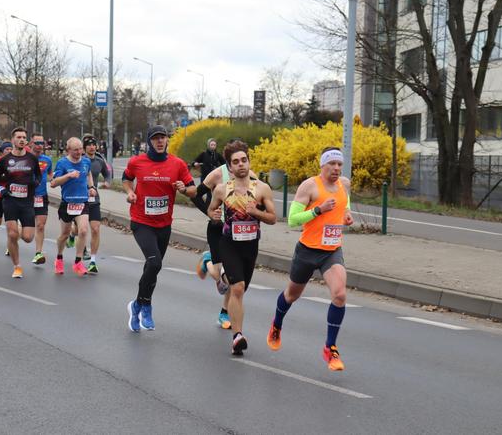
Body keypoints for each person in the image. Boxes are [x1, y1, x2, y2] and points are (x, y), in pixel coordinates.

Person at [266, 147, 354, 372]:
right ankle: (277, 324)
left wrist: (346, 214)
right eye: (331, 164)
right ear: (322, 165)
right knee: (292, 295)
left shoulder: (344, 184)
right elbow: (293, 219)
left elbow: (344, 204)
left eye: (338, 164)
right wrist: (318, 210)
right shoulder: (309, 186)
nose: (335, 168)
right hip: (307, 250)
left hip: (331, 251)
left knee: (340, 294)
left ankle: (330, 347)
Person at [122, 125, 197, 332]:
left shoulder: (177, 164)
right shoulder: (137, 162)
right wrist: (129, 192)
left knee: (152, 267)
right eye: (155, 138)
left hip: (164, 225)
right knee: (155, 263)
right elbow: (126, 179)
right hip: (141, 222)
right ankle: (145, 305)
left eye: (163, 137)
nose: (160, 141)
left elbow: (193, 189)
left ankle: (136, 304)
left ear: (167, 140)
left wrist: (184, 189)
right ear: (149, 142)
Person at [208, 140, 276, 355]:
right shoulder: (221, 190)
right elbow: (211, 210)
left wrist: (256, 213)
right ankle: (237, 336)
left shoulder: (262, 188)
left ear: (248, 162)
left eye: (244, 160)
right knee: (238, 289)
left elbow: (273, 218)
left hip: (250, 246)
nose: (240, 165)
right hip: (229, 244)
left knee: (240, 287)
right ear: (229, 167)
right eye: (235, 162)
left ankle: (222, 280)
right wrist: (214, 215)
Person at [0, 127, 41, 278]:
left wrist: (36, 183)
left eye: (24, 137)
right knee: (13, 235)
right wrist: (1, 189)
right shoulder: (5, 160)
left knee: (27, 238)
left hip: (26, 202)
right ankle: (17, 266)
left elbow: (38, 175)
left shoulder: (32, 158)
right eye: (18, 137)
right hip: (10, 200)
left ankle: (15, 230)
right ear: (13, 140)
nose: (21, 140)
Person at [50, 137, 97, 277]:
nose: (79, 152)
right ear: (68, 150)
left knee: (83, 231)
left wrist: (91, 187)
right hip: (67, 203)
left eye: (81, 149)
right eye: (76, 150)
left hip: (82, 202)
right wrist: (69, 176)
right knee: (64, 235)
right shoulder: (62, 163)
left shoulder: (86, 161)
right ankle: (59, 258)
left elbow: (88, 174)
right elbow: (53, 183)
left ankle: (78, 261)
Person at [83, 134, 110, 274]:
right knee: (79, 231)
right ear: (84, 147)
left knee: (95, 229)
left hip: (94, 199)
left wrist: (107, 181)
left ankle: (92, 261)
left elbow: (107, 173)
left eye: (94, 145)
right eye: (89, 145)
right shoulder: (79, 160)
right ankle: (74, 240)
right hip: (79, 199)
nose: (92, 147)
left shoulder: (99, 161)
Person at [29, 133, 53, 265]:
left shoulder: (47, 160)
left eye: (41, 143)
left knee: (40, 225)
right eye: (37, 143)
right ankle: (12, 242)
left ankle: (38, 253)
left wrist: (53, 179)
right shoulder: (25, 158)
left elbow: (50, 173)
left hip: (41, 196)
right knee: (26, 229)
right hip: (26, 196)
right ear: (31, 143)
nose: (39, 146)